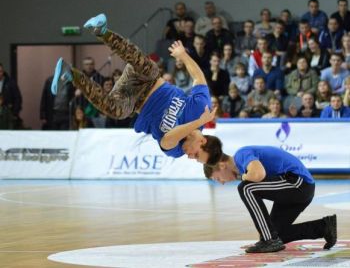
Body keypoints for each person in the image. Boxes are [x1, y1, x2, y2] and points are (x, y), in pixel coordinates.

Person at [51, 13, 221, 164]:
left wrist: (199, 123)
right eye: (197, 155)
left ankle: (70, 74)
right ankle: (102, 31)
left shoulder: (176, 151)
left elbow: (169, 137)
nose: (190, 157)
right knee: (149, 68)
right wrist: (183, 55)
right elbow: (199, 78)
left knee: (117, 111)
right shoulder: (201, 108)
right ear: (203, 142)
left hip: (131, 100)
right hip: (148, 80)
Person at [203, 147, 337, 253]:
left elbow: (258, 174)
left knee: (245, 188)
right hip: (296, 187)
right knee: (275, 233)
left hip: (298, 184)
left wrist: (243, 176)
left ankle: (270, 240)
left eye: (217, 178)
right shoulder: (243, 162)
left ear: (221, 166)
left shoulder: (241, 155)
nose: (221, 183)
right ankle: (324, 227)